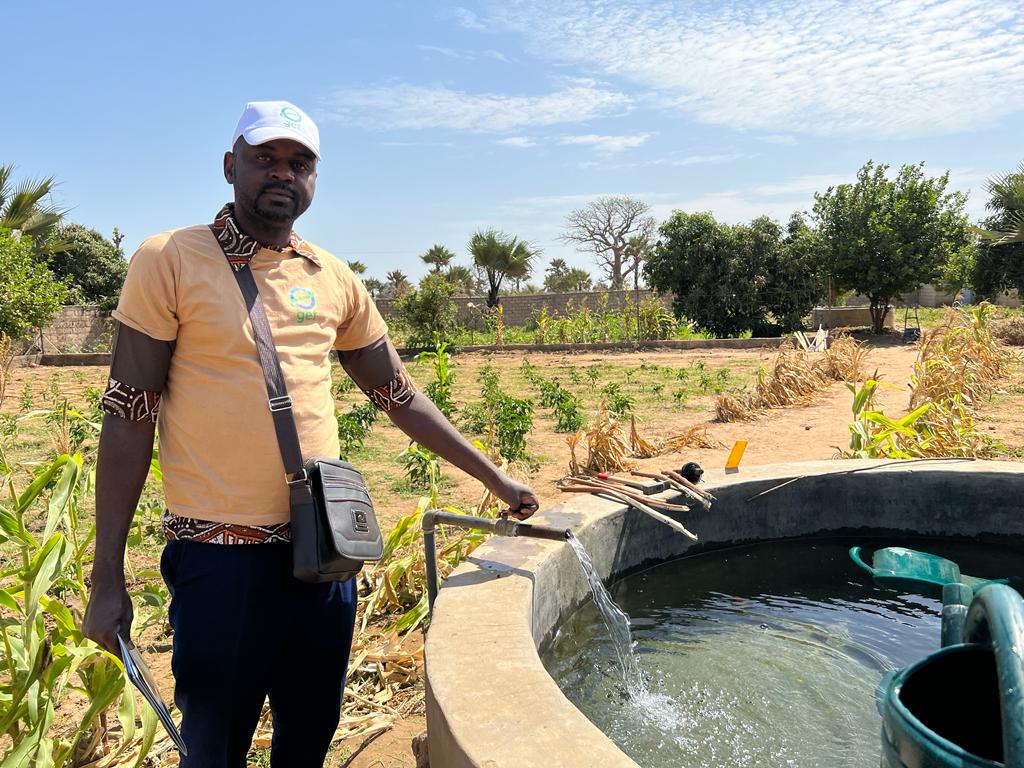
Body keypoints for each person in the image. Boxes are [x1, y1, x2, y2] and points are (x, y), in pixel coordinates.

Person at [82, 100, 539, 768]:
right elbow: (128, 414)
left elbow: (399, 394)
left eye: (300, 163)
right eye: (265, 157)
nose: (282, 174)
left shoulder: (331, 276)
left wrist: (492, 476)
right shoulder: (170, 260)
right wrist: (105, 579)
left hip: (323, 555)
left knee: (308, 739)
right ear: (229, 164)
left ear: (314, 180)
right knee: (214, 747)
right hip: (220, 562)